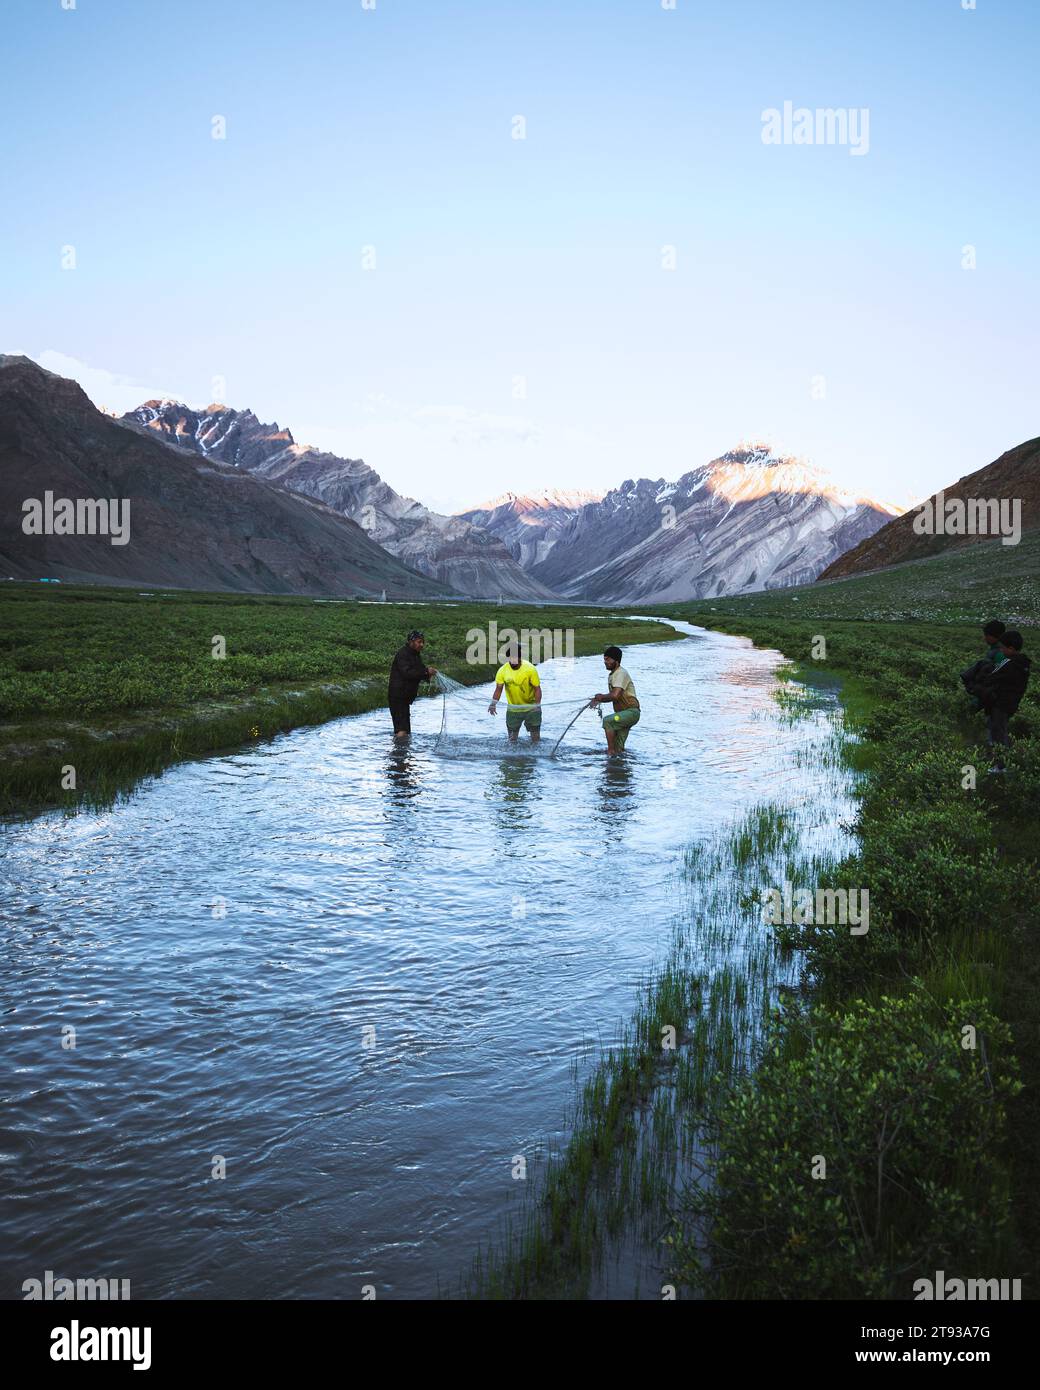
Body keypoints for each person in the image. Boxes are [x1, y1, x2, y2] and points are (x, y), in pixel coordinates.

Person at [969, 630, 1031, 773]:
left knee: (999, 732)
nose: (1001, 650)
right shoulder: (1023, 663)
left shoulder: (1009, 663)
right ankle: (1001, 760)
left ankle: (1001, 765)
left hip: (1001, 703)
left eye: (1003, 648)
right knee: (1000, 729)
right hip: (1011, 703)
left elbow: (993, 676)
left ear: (1011, 648)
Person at [488, 643, 542, 743]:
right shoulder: (502, 671)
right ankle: (512, 758)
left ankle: (533, 756)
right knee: (512, 739)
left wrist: (537, 705)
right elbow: (498, 689)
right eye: (510, 658)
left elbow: (537, 688)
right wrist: (493, 704)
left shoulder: (530, 669)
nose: (513, 661)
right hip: (513, 709)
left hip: (531, 708)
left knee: (535, 738)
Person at [388, 630, 437, 739]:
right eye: (419, 642)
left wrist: (427, 673)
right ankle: (399, 753)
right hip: (398, 696)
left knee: (405, 730)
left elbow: (418, 671)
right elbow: (407, 673)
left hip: (404, 697)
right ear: (411, 642)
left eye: (422, 642)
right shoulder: (403, 654)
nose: (422, 645)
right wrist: (425, 672)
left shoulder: (415, 655)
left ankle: (401, 753)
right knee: (402, 730)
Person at [590, 646, 640, 752]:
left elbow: (615, 695)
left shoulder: (620, 673)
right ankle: (617, 761)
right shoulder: (613, 675)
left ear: (616, 660)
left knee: (608, 721)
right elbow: (613, 696)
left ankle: (610, 753)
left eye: (608, 659)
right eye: (604, 659)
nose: (605, 662)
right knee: (619, 748)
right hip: (623, 715)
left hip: (630, 713)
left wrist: (601, 697)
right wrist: (599, 699)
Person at [960, 619, 1006, 708]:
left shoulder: (999, 653)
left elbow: (996, 676)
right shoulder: (996, 650)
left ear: (994, 636)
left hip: (990, 693)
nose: (985, 638)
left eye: (986, 635)